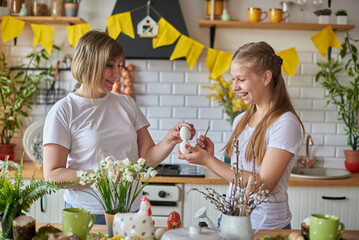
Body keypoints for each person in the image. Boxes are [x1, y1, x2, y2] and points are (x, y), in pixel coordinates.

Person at [42, 30, 196, 225]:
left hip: (130, 210)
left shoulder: (126, 104)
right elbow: (53, 175)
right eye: (109, 65)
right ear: (90, 63)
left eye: (119, 65)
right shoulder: (64, 110)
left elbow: (146, 159)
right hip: (86, 214)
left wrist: (169, 140)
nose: (117, 73)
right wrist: (100, 175)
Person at [178, 41, 305, 229]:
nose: (235, 87)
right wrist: (211, 158)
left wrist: (208, 161)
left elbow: (263, 185)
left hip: (264, 226)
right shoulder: (241, 120)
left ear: (266, 77)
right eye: (233, 79)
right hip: (231, 218)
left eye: (241, 79)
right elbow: (239, 178)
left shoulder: (285, 123)